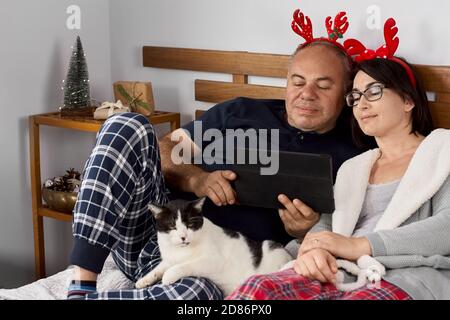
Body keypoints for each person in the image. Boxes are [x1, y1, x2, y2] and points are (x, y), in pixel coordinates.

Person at [66, 11, 369, 300]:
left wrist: (307, 232)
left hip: (206, 268)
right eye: (298, 81)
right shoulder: (240, 112)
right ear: (287, 82)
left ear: (346, 92)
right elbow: (165, 149)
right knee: (126, 125)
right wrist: (197, 179)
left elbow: (355, 233)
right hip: (149, 234)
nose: (307, 93)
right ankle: (81, 284)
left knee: (197, 296)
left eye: (324, 85)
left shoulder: (356, 151)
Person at [226, 23, 450, 300]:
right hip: (339, 269)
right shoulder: (355, 167)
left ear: (407, 100)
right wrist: (315, 247)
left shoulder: (443, 151)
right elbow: (329, 222)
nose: (362, 104)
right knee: (257, 289)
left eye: (374, 92)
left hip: (404, 275)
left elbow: (446, 227)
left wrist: (359, 245)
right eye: (355, 97)